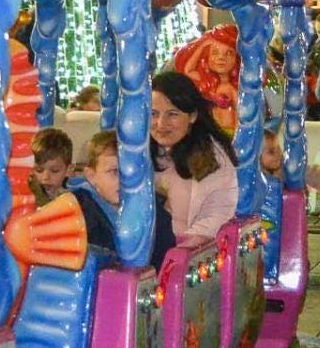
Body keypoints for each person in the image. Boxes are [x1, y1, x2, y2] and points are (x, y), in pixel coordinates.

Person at [149, 71, 239, 242]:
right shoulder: (138, 151)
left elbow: (218, 213)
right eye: (153, 114)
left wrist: (180, 252)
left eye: (172, 114)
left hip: (189, 251)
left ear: (192, 116)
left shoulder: (211, 156)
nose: (161, 124)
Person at [71, 129, 175, 267]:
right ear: (91, 176)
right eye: (114, 172)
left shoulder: (155, 211)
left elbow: (164, 259)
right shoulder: (76, 215)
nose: (125, 181)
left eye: (132, 172)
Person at [30, 127, 74, 204]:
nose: (46, 177)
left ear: (68, 170)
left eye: (54, 171)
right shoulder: (26, 197)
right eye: (39, 170)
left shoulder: (73, 200)